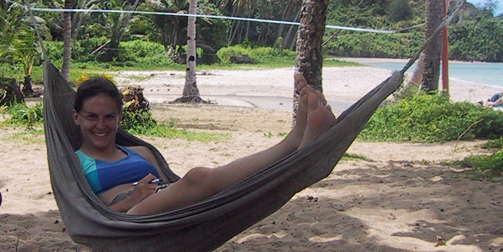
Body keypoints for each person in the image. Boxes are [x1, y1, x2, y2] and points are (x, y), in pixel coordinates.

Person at [72, 74, 336, 216]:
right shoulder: (74, 161)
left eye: (109, 117)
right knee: (199, 177)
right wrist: (130, 200)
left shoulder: (141, 151)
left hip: (169, 207)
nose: (101, 125)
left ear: (120, 118)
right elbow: (85, 214)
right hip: (125, 218)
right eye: (91, 117)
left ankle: (297, 138)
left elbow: (173, 186)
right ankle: (294, 147)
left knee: (214, 187)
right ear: (76, 118)